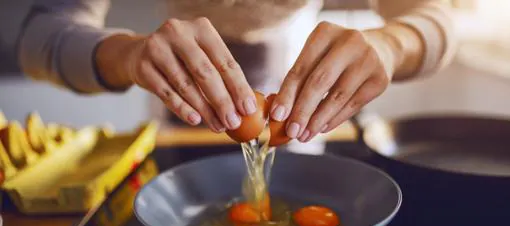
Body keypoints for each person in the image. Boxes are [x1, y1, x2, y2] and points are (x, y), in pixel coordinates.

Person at [17, 0, 455, 143]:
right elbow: (38, 39)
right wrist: (130, 56)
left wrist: (391, 45)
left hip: (304, 109)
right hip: (178, 110)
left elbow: (441, 17)